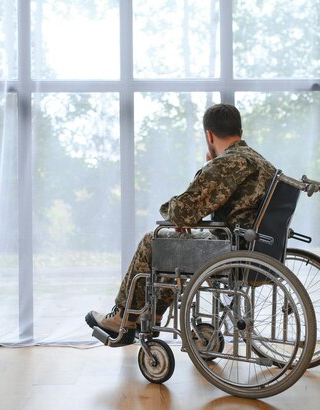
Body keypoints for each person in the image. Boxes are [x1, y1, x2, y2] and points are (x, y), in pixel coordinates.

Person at [85, 103, 277, 345]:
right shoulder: (262, 163)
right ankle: (151, 313)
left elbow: (181, 210)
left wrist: (206, 173)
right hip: (256, 251)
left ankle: (124, 317)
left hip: (231, 251)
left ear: (209, 135)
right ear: (240, 130)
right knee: (175, 246)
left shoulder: (230, 163)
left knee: (153, 240)